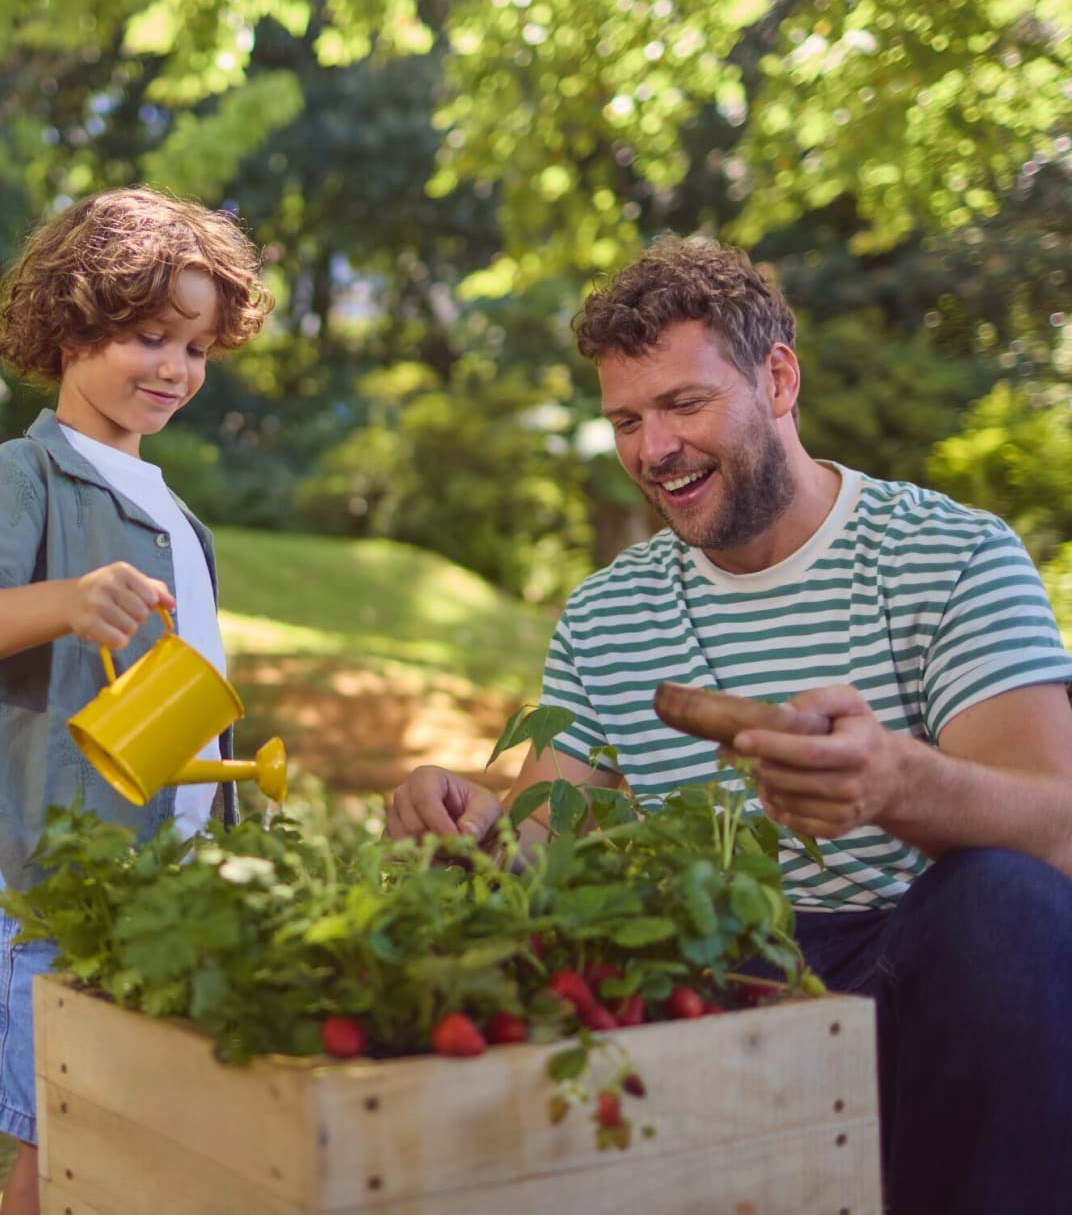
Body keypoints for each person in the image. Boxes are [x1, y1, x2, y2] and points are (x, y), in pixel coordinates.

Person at [385, 236, 1072, 1214]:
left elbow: (1057, 827)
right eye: (626, 419)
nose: (651, 449)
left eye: (682, 404)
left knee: (1006, 900)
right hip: (720, 971)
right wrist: (471, 823)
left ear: (778, 379)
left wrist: (894, 782)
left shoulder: (949, 556)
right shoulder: (607, 612)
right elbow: (546, 844)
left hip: (922, 970)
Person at [0, 187, 272, 1215]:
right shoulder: (21, 474)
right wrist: (64, 603)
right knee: (62, 1142)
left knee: (152, 1138)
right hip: (63, 881)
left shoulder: (176, 515)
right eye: (151, 337)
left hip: (172, 877)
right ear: (73, 324)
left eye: (197, 349)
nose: (176, 369)